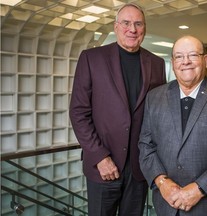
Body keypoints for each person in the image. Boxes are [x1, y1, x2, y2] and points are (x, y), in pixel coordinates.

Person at [69, 3, 166, 216]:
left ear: (144, 29)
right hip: (103, 166)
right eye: (126, 23)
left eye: (138, 24)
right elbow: (78, 112)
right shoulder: (91, 58)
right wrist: (100, 157)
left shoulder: (157, 64)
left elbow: (159, 116)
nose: (132, 29)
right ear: (116, 27)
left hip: (139, 168)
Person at [138, 35, 207, 216]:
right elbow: (145, 145)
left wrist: (199, 189)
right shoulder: (154, 97)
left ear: (205, 60)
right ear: (173, 62)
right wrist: (161, 182)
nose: (186, 62)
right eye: (179, 56)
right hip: (166, 204)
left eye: (193, 55)